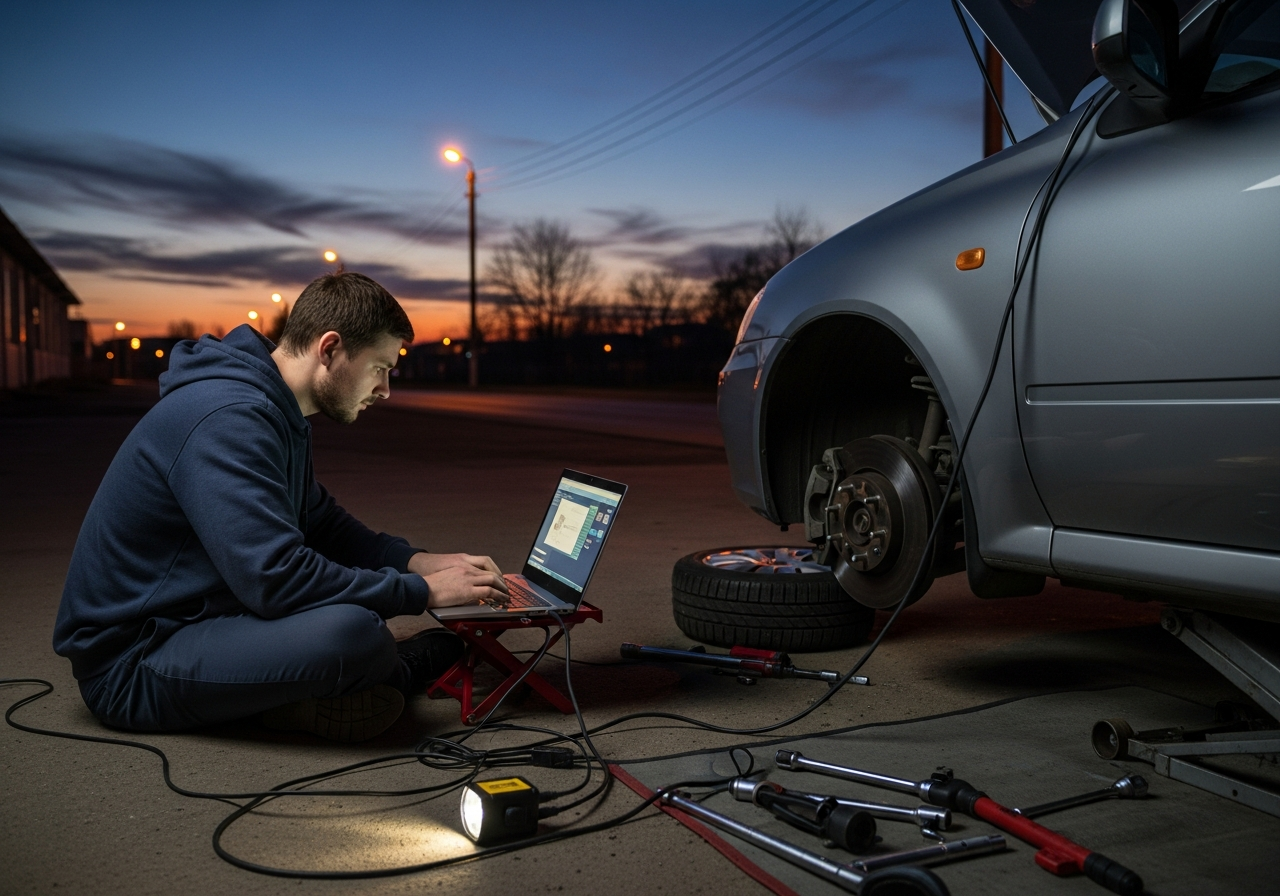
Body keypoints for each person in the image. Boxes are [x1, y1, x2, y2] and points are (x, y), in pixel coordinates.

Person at [53, 272, 509, 742]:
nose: (386, 389)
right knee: (354, 635)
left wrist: (417, 561)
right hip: (133, 662)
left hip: (194, 621)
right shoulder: (228, 417)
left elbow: (322, 523)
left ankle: (312, 689)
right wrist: (423, 592)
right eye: (379, 367)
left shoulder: (273, 408)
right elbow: (275, 579)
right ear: (329, 349)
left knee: (355, 626)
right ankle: (384, 673)